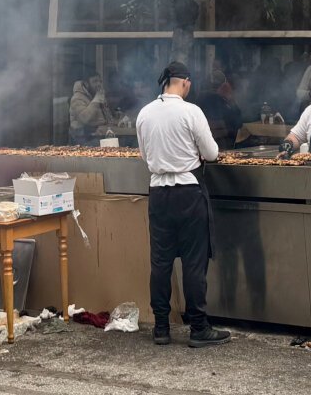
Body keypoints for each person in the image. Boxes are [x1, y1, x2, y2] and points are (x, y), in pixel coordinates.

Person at [134, 61, 229, 348]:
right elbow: (211, 153)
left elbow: (143, 155)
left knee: (160, 263)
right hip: (188, 192)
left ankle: (161, 328)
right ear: (185, 82)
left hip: (159, 194)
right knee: (193, 263)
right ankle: (198, 328)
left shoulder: (144, 113)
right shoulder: (191, 111)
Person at [70, 73, 113, 142]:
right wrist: (96, 101)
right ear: (86, 84)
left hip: (98, 136)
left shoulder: (95, 95)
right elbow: (85, 118)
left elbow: (107, 119)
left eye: (100, 81)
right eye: (95, 81)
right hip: (82, 140)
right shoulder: (77, 98)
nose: (99, 84)